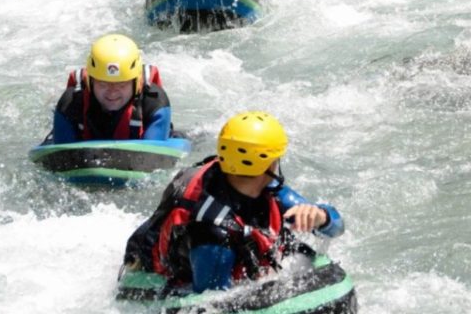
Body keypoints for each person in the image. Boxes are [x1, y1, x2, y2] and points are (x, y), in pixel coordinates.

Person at [122, 111, 344, 293]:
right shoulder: (213, 237)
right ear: (266, 164)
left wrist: (321, 217)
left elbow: (337, 227)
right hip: (168, 270)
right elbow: (213, 303)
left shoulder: (265, 187)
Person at [50, 33, 172, 143]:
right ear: (90, 82)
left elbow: (153, 156)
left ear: (136, 83)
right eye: (103, 84)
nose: (112, 92)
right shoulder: (70, 102)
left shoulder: (154, 101)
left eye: (122, 85)